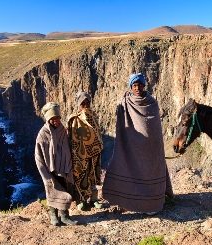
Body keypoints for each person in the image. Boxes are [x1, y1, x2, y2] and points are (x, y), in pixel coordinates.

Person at [103, 73, 173, 214]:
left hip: (151, 150)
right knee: (132, 172)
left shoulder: (152, 103)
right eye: (134, 85)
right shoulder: (125, 104)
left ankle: (151, 204)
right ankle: (131, 203)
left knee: (149, 174)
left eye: (140, 85)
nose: (137, 88)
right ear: (131, 87)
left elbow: (155, 129)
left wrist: (153, 145)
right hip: (132, 148)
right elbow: (122, 126)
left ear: (144, 85)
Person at [35, 102, 77, 226]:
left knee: (65, 188)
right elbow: (38, 155)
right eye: (53, 119)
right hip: (49, 169)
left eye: (57, 118)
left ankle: (64, 215)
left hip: (64, 168)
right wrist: (44, 171)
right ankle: (53, 215)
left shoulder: (62, 131)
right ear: (48, 119)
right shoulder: (43, 134)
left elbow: (67, 147)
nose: (56, 121)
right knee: (52, 189)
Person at [67, 91, 103, 210]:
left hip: (94, 152)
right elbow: (71, 137)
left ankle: (94, 199)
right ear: (79, 104)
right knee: (80, 176)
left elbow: (97, 133)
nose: (85, 105)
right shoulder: (74, 119)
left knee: (92, 175)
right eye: (83, 103)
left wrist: (98, 146)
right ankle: (81, 200)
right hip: (80, 154)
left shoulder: (93, 116)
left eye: (87, 102)